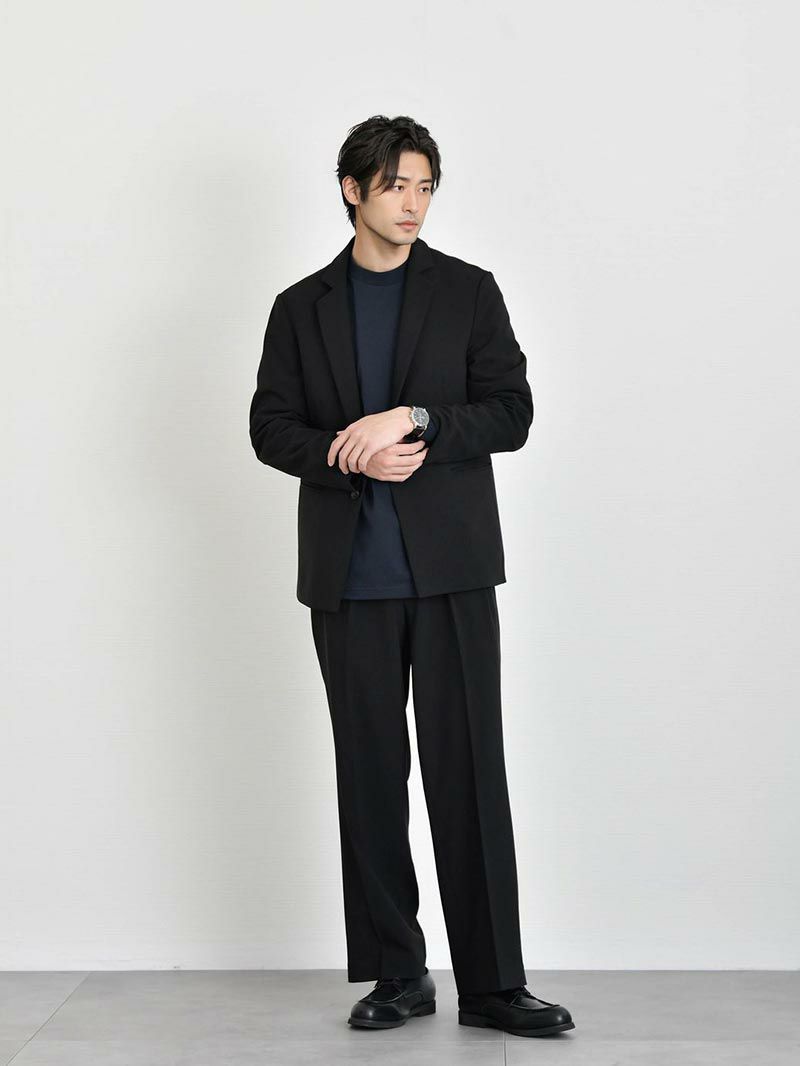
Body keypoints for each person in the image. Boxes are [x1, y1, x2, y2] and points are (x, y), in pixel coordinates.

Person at [248, 114, 575, 1039]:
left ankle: (495, 984)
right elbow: (270, 427)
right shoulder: (300, 307)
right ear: (353, 189)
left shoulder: (468, 291)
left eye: (425, 187)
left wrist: (416, 419)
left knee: (469, 771)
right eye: (396, 185)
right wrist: (348, 452)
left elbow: (511, 412)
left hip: (452, 572)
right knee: (370, 778)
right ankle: (398, 973)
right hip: (349, 579)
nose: (413, 203)